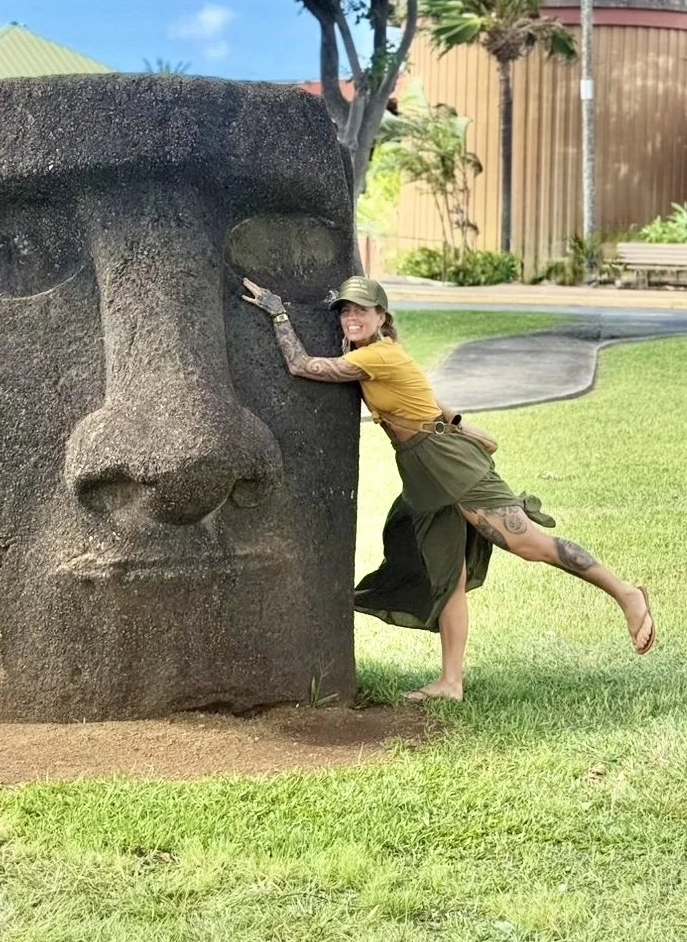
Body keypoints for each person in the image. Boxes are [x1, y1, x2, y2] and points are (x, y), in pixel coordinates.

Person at [242, 274, 655, 702]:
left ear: (381, 316)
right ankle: (450, 683)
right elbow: (428, 400)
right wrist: (461, 423)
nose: (351, 317)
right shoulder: (370, 354)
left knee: (532, 546)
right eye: (345, 310)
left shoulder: (379, 355)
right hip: (424, 472)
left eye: (360, 309)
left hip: (449, 465)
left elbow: (302, 366)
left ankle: (627, 595)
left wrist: (278, 310)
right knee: (450, 577)